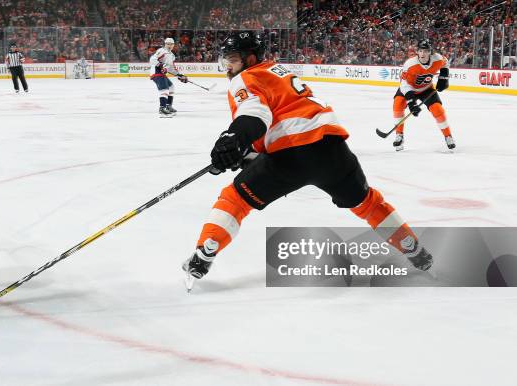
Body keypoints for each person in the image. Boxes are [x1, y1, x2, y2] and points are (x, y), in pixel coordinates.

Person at [182, 31, 433, 286]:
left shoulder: (246, 77)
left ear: (250, 59)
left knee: (235, 198)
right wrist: (245, 153)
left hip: (292, 154)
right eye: (226, 60)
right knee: (368, 203)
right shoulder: (278, 71)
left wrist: (233, 138)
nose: (228, 66)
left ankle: (204, 254)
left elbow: (254, 114)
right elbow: (281, 116)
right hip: (332, 148)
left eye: (233, 59)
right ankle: (415, 251)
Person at [392, 39, 454, 151]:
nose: (422, 54)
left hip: (426, 89)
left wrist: (443, 78)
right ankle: (399, 135)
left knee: (438, 110)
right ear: (417, 52)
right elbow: (405, 85)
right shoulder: (410, 64)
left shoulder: (438, 59)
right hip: (409, 88)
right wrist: (411, 103)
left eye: (425, 51)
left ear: (430, 52)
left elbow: (446, 64)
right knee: (398, 104)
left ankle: (448, 136)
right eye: (420, 51)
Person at [149, 37, 188, 118]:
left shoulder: (172, 55)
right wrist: (160, 66)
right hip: (156, 71)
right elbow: (152, 59)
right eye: (167, 44)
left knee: (171, 87)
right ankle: (162, 108)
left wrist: (179, 75)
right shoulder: (161, 50)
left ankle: (168, 106)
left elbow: (171, 68)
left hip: (161, 72)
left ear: (173, 45)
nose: (169, 45)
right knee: (164, 88)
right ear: (165, 44)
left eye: (171, 44)